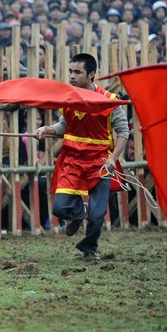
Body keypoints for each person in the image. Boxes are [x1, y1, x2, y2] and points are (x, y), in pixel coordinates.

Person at [35, 53, 129, 261]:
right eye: (70, 71)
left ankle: (89, 249)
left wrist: (113, 159)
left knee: (96, 216)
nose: (71, 76)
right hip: (72, 159)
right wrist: (47, 129)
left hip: (100, 162)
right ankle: (77, 214)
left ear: (91, 74)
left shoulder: (109, 101)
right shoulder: (67, 98)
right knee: (60, 207)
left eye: (77, 72)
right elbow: (64, 126)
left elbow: (123, 132)